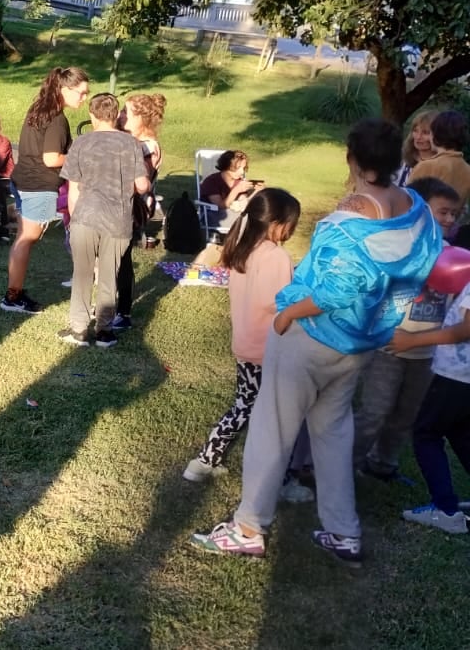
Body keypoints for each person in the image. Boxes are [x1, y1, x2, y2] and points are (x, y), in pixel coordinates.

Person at [192, 118, 441, 564]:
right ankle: (343, 532)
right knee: (333, 431)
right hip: (359, 344)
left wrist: (289, 312)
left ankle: (249, 527)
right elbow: (423, 264)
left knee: (272, 431)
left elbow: (335, 289)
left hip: (311, 339)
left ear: (353, 158)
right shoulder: (417, 210)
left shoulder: (348, 216)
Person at [182, 188, 302, 483]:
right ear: (277, 223)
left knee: (243, 406)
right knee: (278, 417)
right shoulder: (276, 257)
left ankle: (204, 462)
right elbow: (280, 304)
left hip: (246, 345)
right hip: (271, 349)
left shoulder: (241, 249)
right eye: (292, 224)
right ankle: (281, 479)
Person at [350, 177, 460, 480]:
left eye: (454, 214)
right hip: (389, 346)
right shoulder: (401, 248)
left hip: (426, 352)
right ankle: (344, 466)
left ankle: (383, 463)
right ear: (420, 211)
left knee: (406, 415)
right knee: (375, 411)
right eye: (443, 212)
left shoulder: (454, 255)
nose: (450, 219)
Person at [383, 257, 470, 534]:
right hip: (463, 376)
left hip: (456, 374)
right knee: (460, 432)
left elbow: (464, 330)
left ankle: (445, 510)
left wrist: (412, 340)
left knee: (426, 433)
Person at [59, 93, 150, 348]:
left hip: (85, 216)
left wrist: (71, 220)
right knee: (110, 274)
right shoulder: (131, 144)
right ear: (115, 114)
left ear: (92, 115)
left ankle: (78, 329)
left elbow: (73, 187)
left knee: (83, 273)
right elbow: (142, 185)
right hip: (118, 220)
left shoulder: (81, 143)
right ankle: (104, 330)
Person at [1, 66, 90, 314]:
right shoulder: (57, 119)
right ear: (64, 89)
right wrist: (77, 156)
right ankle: (12, 296)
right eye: (81, 93)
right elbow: (51, 159)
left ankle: (13, 292)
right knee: (27, 239)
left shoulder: (39, 109)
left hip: (22, 181)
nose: (84, 98)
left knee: (22, 238)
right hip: (37, 185)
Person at [112, 93, 167, 330]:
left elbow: (138, 182)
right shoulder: (130, 140)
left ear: (141, 118)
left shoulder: (147, 146)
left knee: (121, 259)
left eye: (126, 112)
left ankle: (123, 311)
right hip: (117, 204)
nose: (120, 116)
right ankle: (110, 303)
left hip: (131, 207)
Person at [407, 110, 470, 202]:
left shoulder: (427, 166)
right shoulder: (467, 169)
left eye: (428, 132)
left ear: (434, 134)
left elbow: (408, 201)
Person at [199, 150, 259, 230]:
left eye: (244, 168)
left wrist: (257, 192)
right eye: (238, 168)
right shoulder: (212, 181)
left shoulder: (239, 182)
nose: (242, 172)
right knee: (247, 220)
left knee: (256, 216)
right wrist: (236, 190)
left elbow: (243, 202)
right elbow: (220, 205)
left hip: (234, 216)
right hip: (215, 217)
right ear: (227, 166)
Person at [395, 110, 438, 186]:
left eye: (425, 133)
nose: (418, 137)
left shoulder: (441, 165)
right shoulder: (402, 158)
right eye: (415, 131)